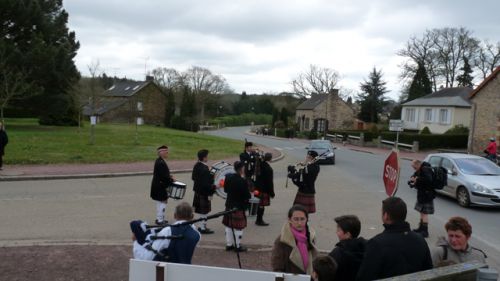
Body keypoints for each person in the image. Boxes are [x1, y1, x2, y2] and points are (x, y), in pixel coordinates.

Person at [356, 197, 433, 280]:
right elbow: (428, 272)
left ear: (386, 216)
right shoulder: (420, 240)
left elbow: (364, 277)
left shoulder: (376, 244)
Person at [131, 202, 201, 264]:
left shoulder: (167, 231)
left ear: (175, 215)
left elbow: (148, 258)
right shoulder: (197, 235)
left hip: (168, 272)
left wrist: (136, 242)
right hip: (186, 270)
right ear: (192, 216)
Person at [271, 205, 318, 275]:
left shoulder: (311, 236)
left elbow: (313, 261)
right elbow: (277, 267)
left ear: (307, 219)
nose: (299, 223)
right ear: (290, 220)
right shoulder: (282, 240)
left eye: (302, 219)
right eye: (296, 219)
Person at [222, 161, 251, 252]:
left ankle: (229, 245)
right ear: (241, 169)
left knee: (229, 225)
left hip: (229, 204)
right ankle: (237, 246)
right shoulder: (242, 181)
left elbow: (226, 190)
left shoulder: (228, 177)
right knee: (238, 227)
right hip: (238, 206)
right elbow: (247, 196)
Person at [328, 215, 366, 281]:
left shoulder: (337, 254)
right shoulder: (367, 249)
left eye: (339, 230)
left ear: (348, 234)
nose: (336, 232)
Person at [408, 159, 435, 238]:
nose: (414, 169)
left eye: (414, 167)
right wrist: (412, 179)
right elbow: (415, 175)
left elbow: (428, 180)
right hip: (423, 194)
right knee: (421, 212)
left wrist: (417, 179)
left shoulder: (425, 169)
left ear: (418, 165)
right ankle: (420, 228)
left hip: (427, 194)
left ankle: (425, 231)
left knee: (424, 213)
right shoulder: (420, 169)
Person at [192, 149, 216, 234]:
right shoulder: (205, 169)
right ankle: (203, 228)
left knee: (202, 211)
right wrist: (214, 187)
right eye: (207, 156)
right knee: (204, 211)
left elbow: (193, 178)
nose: (208, 157)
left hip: (198, 191)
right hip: (204, 193)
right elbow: (207, 184)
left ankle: (201, 226)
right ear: (204, 158)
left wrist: (210, 173)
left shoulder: (197, 165)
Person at [150, 145, 174, 225]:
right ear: (160, 153)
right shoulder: (161, 162)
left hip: (158, 185)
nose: (167, 152)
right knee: (163, 201)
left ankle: (159, 218)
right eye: (165, 151)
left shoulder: (159, 161)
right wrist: (172, 180)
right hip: (161, 186)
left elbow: (162, 174)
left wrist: (169, 176)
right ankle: (160, 220)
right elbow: (164, 177)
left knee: (159, 202)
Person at [254, 152, 275, 226]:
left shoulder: (260, 164)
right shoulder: (269, 169)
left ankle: (258, 219)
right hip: (264, 190)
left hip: (257, 188)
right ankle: (259, 220)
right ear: (270, 159)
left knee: (259, 205)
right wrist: (272, 193)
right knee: (261, 206)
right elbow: (269, 182)